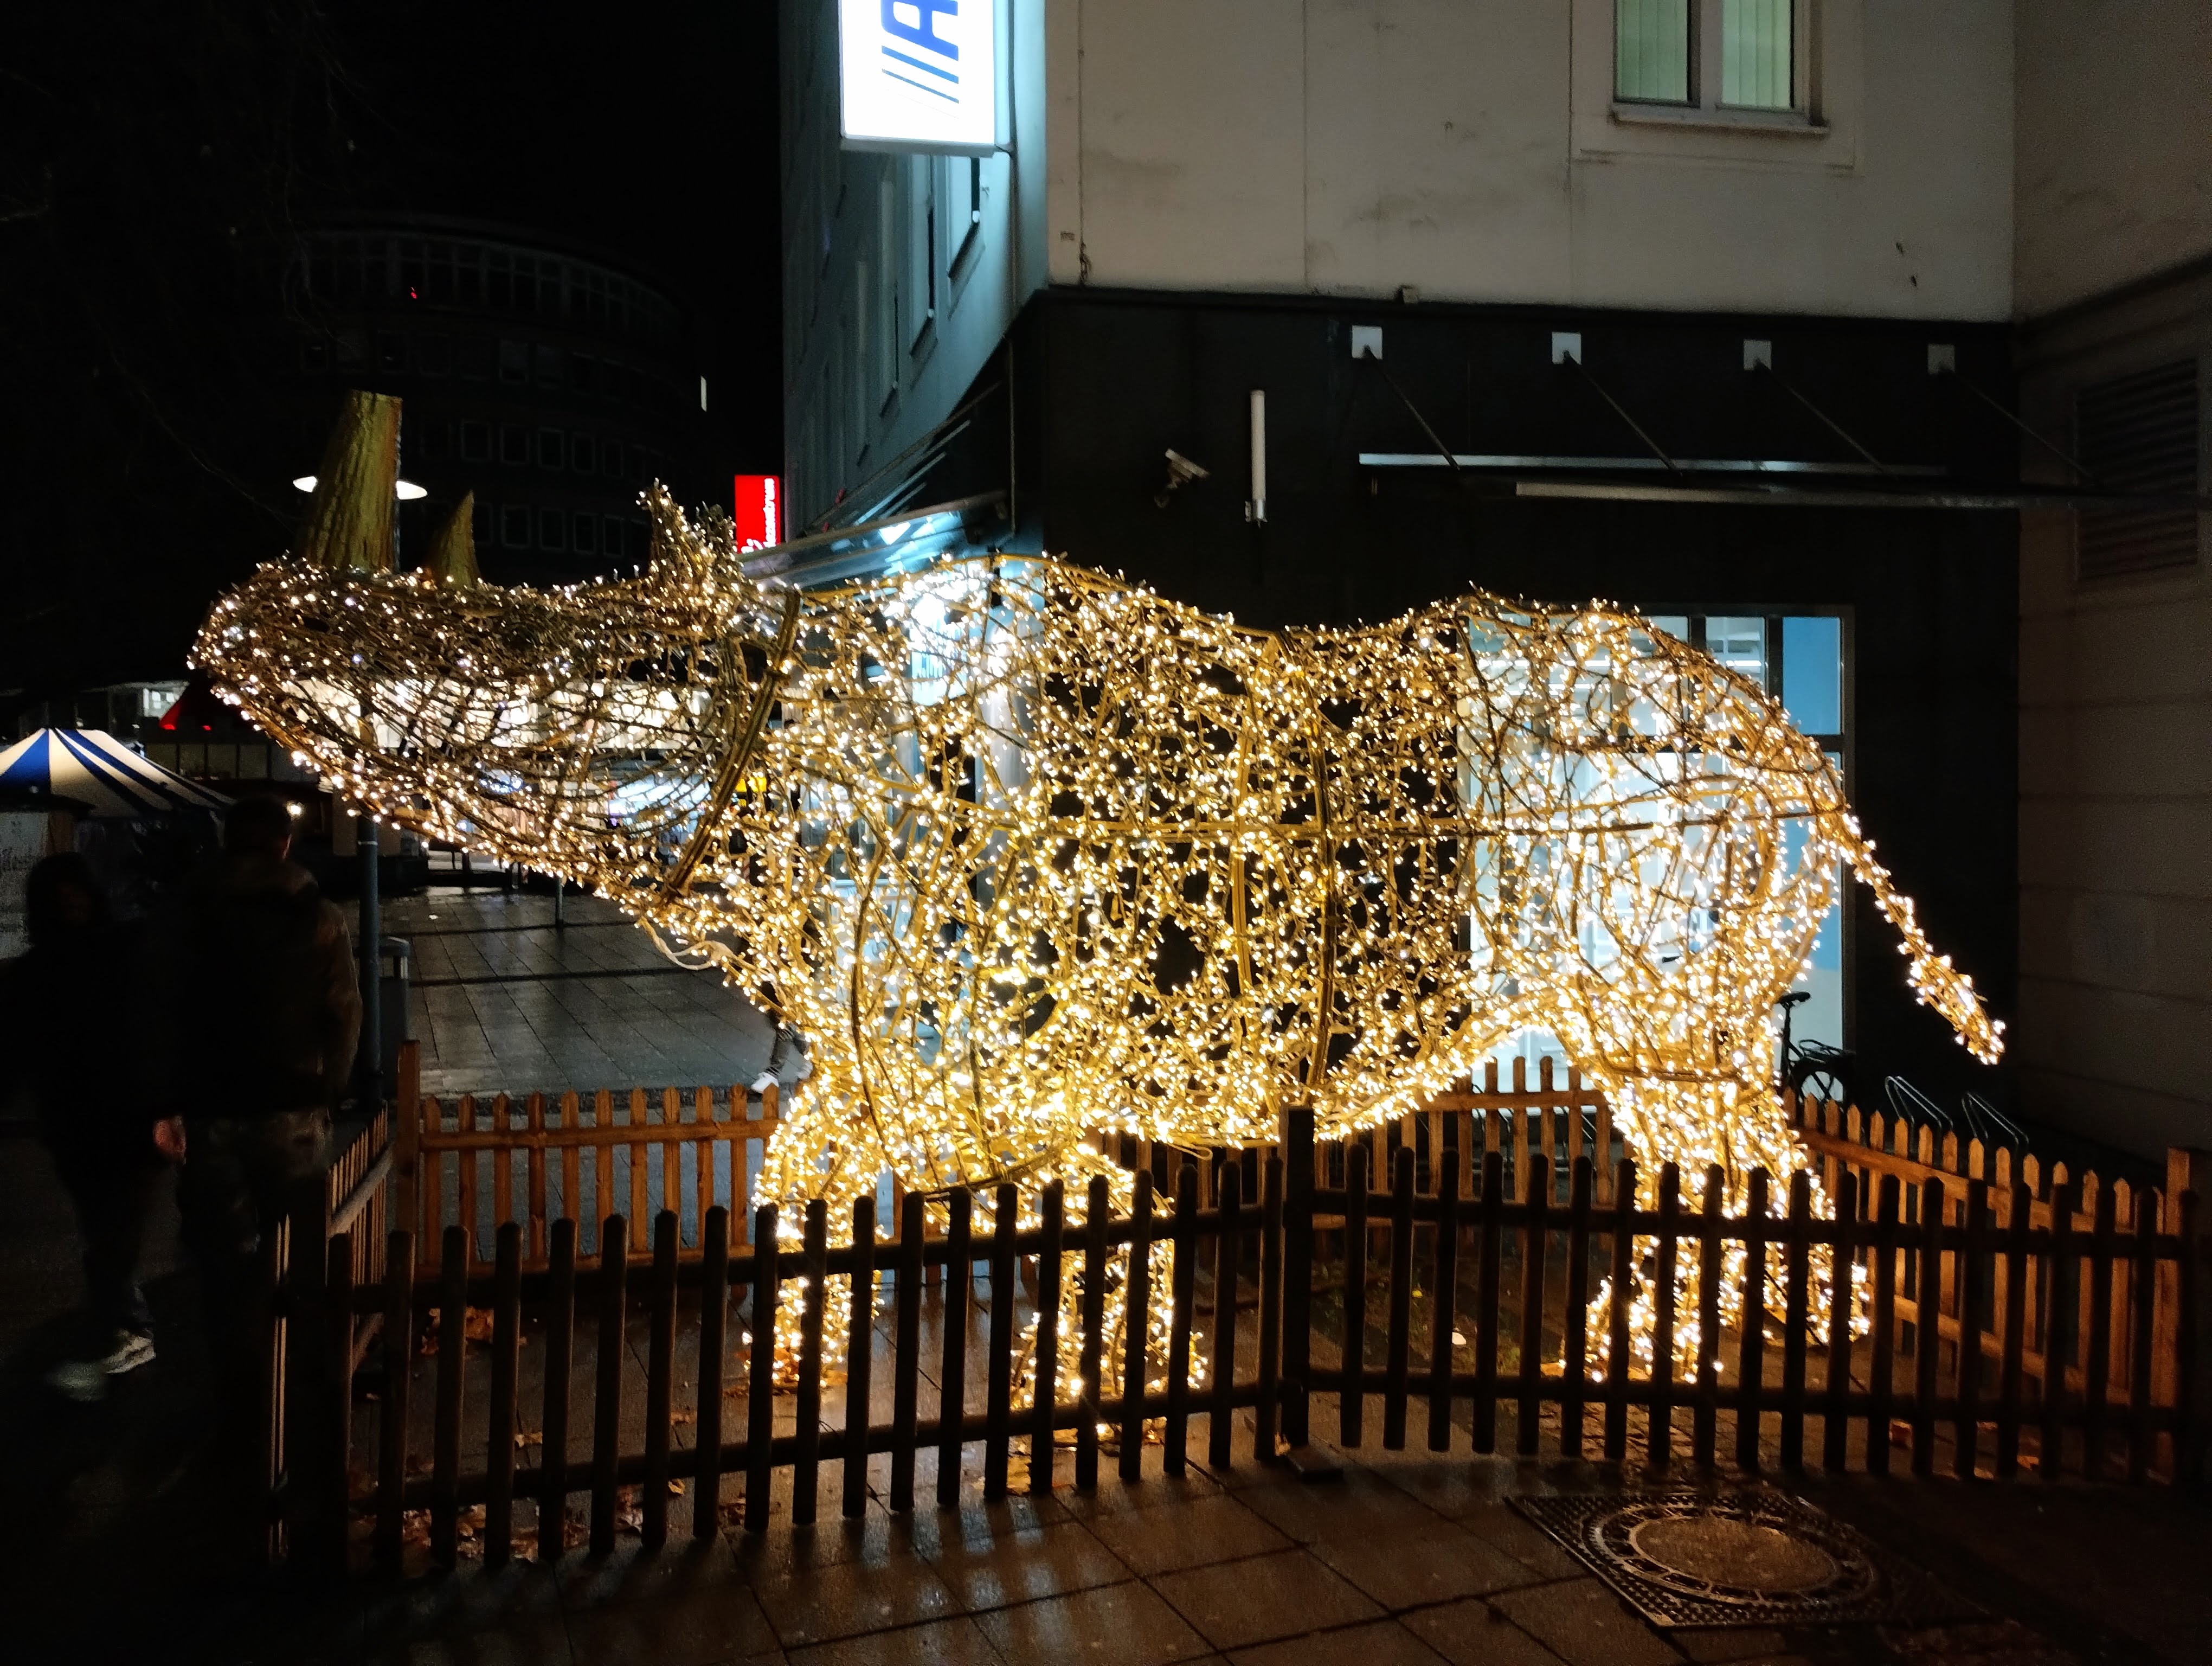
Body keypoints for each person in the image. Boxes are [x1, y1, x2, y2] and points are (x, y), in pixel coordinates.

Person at [155, 796, 361, 1398]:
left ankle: (235, 1368)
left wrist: (163, 1101)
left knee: (221, 1248)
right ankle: (298, 1364)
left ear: (226, 840)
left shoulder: (185, 910)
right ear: (284, 843)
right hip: (291, 1102)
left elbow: (160, 1010)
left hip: (210, 1103)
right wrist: (333, 1086)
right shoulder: (314, 912)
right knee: (296, 1236)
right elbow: (344, 1010)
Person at [0, 854, 172, 1401]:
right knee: (105, 1225)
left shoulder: (116, 954)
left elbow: (153, 1032)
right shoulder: (64, 966)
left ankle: (127, 1324)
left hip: (119, 1116)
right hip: (84, 1118)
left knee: (113, 1227)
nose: (70, 904)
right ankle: (123, 1321)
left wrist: (167, 1104)